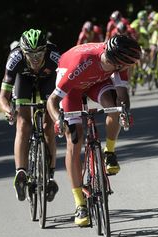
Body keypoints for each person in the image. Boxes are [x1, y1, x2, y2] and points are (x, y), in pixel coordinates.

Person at [46, 35, 141, 226]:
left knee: (113, 107)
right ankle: (80, 203)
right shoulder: (82, 62)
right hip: (72, 86)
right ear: (117, 60)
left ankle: (109, 152)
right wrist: (58, 120)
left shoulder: (120, 63)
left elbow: (122, 95)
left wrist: (125, 112)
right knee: (75, 139)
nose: (126, 69)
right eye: (125, 65)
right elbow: (52, 101)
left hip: (95, 82)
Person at [0, 29, 60, 202]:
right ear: (22, 51)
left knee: (48, 127)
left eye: (39, 53)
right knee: (23, 124)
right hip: (23, 80)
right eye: (30, 54)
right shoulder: (15, 58)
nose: (35, 58)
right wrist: (8, 110)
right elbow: (2, 97)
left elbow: (65, 88)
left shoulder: (54, 56)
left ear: (45, 50)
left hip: (48, 80)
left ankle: (51, 175)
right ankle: (21, 173)